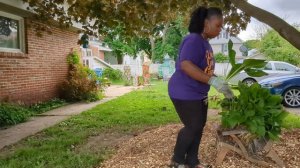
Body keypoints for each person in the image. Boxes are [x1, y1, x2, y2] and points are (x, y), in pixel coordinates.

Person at [168, 6, 234, 168]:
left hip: (198, 93)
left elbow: (204, 70)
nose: (220, 30)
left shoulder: (205, 43)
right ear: (206, 23)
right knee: (193, 126)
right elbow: (186, 65)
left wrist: (221, 84)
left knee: (198, 127)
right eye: (218, 25)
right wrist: (213, 82)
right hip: (184, 92)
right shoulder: (193, 39)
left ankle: (192, 161)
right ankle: (176, 161)